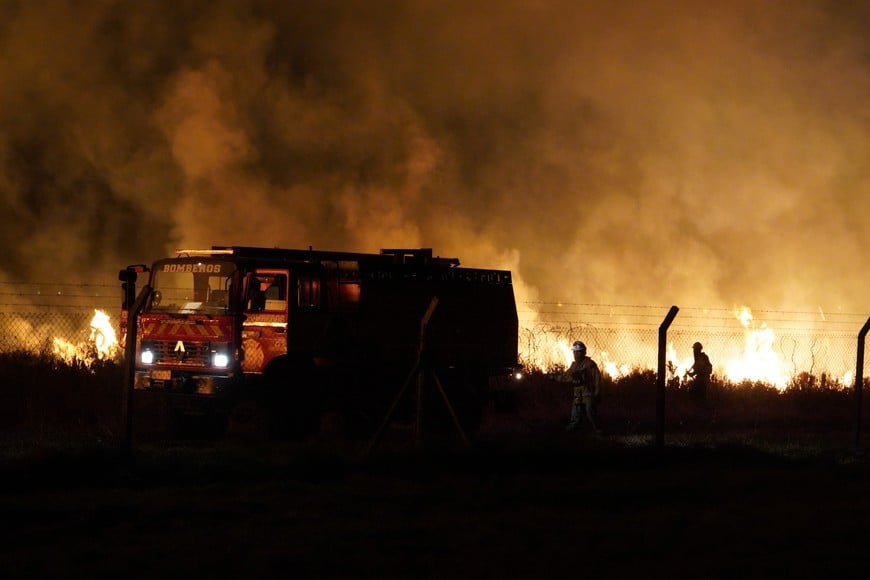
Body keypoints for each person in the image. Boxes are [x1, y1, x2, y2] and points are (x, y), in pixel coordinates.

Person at [562, 340, 602, 434]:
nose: (575, 354)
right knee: (575, 415)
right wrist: (553, 377)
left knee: (590, 412)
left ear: (583, 352)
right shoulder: (574, 365)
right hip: (577, 395)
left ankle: (598, 430)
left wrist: (596, 393)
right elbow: (567, 377)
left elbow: (597, 379)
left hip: (588, 393)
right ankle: (570, 432)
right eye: (574, 352)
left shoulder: (590, 364)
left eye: (578, 351)